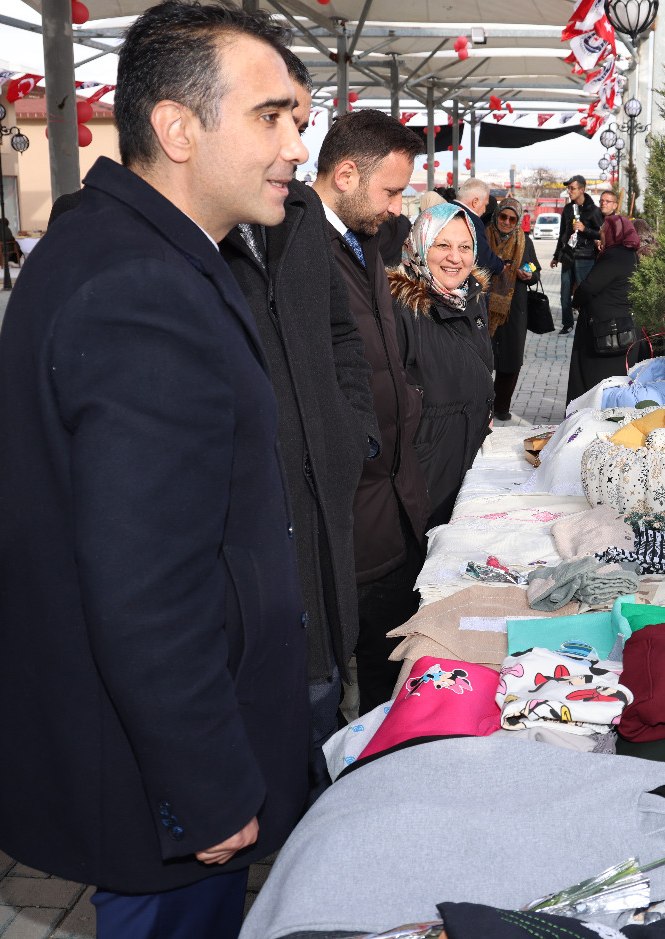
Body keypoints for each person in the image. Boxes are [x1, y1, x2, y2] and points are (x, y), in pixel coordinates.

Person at [0, 0, 311, 938]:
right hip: (159, 779)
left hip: (147, 754)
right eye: (270, 116)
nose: (294, 145)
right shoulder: (141, 284)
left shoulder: (134, 250)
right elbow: (145, 580)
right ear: (177, 127)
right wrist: (205, 784)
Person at [219, 46, 380, 801]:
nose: (295, 145)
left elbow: (341, 336)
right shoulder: (194, 240)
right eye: (275, 120)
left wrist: (350, 432)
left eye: (302, 123)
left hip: (320, 506)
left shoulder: (303, 218)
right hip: (252, 535)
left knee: (323, 687)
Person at [312, 109, 435, 713]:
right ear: (345, 175)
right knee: (353, 677)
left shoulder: (359, 238)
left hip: (392, 493)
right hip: (352, 502)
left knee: (392, 669)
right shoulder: (299, 248)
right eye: (390, 191)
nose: (396, 207)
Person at [387, 203, 495, 529]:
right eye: (443, 245)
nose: (455, 258)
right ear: (420, 246)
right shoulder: (399, 309)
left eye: (464, 247)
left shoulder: (471, 298)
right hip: (424, 475)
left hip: (468, 459)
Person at [567, 212, 642, 400]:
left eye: (604, 229)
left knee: (593, 387)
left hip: (606, 333)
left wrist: (576, 301)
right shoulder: (629, 254)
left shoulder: (615, 255)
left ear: (614, 232)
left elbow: (589, 287)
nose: (600, 232)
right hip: (619, 330)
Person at [486, 196, 539, 421]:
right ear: (496, 215)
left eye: (512, 219)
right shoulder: (484, 236)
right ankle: (482, 404)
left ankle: (501, 406)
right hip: (485, 306)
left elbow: (535, 269)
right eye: (503, 216)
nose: (506, 222)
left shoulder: (525, 241)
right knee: (484, 357)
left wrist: (528, 275)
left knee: (511, 357)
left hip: (514, 308)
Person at [550, 174, 603, 334]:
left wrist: (585, 229)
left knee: (584, 292)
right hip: (568, 256)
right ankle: (567, 324)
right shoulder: (567, 209)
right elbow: (562, 234)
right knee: (565, 293)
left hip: (585, 257)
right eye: (569, 188)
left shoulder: (593, 210)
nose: (569, 191)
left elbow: (601, 234)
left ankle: (588, 322)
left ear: (582, 189)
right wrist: (556, 256)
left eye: (572, 188)